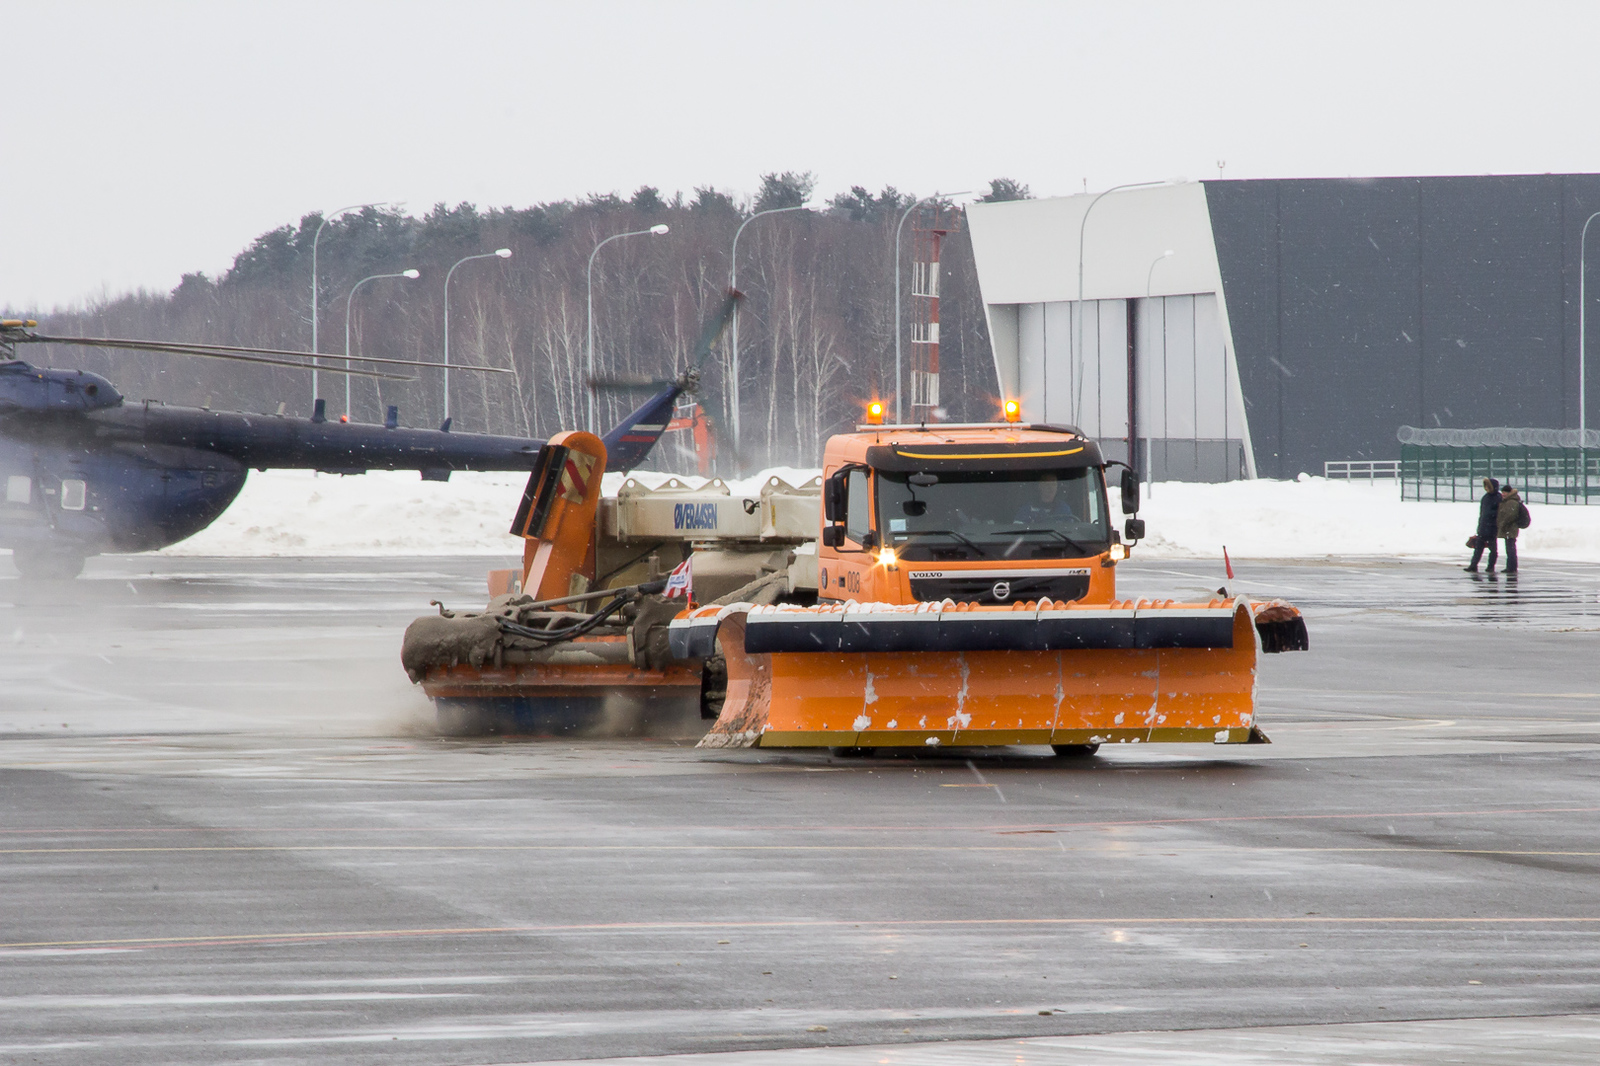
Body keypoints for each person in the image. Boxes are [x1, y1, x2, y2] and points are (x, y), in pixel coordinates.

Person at [1465, 477, 1501, 573]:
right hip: (1484, 526)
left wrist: (1491, 515)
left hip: (1492, 527)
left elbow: (1498, 513)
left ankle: (1490, 567)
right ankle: (1473, 565)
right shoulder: (1485, 497)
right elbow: (1482, 513)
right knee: (1478, 549)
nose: (1486, 488)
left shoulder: (1498, 498)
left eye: (1488, 486)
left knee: (1493, 550)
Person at [1013, 473, 1079, 525]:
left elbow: (1069, 532)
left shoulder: (1064, 509)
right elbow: (1017, 532)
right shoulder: (1027, 509)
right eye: (1047, 484)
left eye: (1053, 484)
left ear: (1057, 487)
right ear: (1040, 486)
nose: (1050, 488)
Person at [1497, 483, 1523, 575]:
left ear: (1509, 493)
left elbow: (1510, 516)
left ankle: (1511, 567)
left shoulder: (1511, 502)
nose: (1503, 494)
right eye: (1502, 492)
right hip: (1509, 528)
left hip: (1510, 529)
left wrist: (1503, 524)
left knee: (1510, 549)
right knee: (1510, 548)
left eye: (1505, 492)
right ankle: (1511, 566)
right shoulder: (1508, 501)